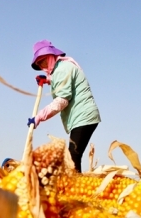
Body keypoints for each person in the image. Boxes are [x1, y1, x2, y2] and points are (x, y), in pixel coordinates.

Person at [28, 40, 101, 173]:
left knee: (72, 159)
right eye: (39, 63)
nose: (42, 65)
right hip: (80, 117)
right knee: (73, 157)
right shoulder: (61, 69)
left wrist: (39, 116)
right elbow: (62, 81)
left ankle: (77, 189)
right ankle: (76, 186)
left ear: (51, 56)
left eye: (43, 60)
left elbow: (62, 100)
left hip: (83, 116)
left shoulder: (62, 69)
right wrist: (48, 80)